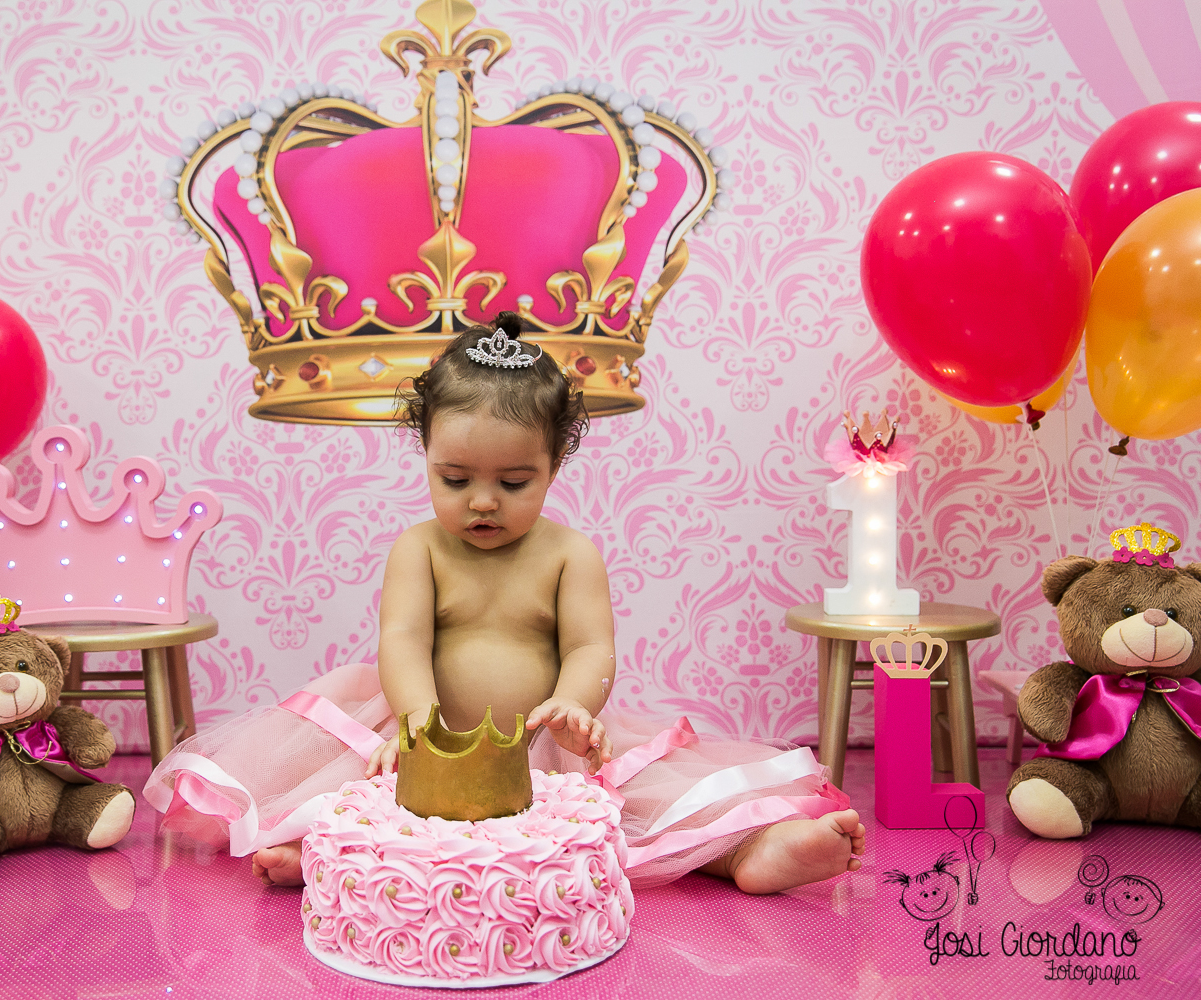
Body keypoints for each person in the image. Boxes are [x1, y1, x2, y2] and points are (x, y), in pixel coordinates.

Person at [144, 312, 863, 893]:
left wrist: (576, 705)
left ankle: (747, 852)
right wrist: (416, 718)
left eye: (514, 482)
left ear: (555, 463)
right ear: (424, 451)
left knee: (635, 817)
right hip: (427, 734)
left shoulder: (567, 554)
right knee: (370, 800)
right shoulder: (419, 549)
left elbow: (589, 647)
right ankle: (333, 859)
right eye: (455, 478)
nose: (483, 501)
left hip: (545, 744)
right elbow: (401, 640)